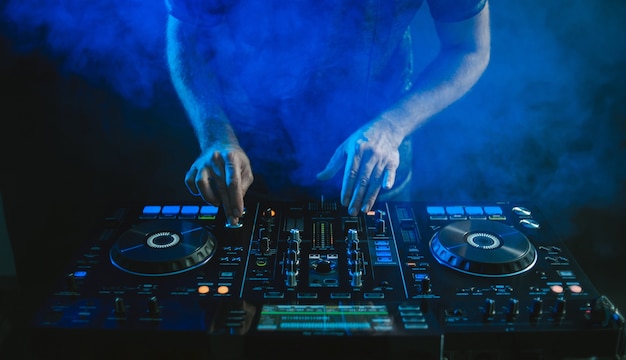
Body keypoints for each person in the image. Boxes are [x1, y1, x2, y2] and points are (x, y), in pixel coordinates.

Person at [165, 0, 490, 226]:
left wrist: (391, 127)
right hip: (246, 169)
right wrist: (216, 136)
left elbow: (468, 48)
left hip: (376, 164)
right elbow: (185, 33)